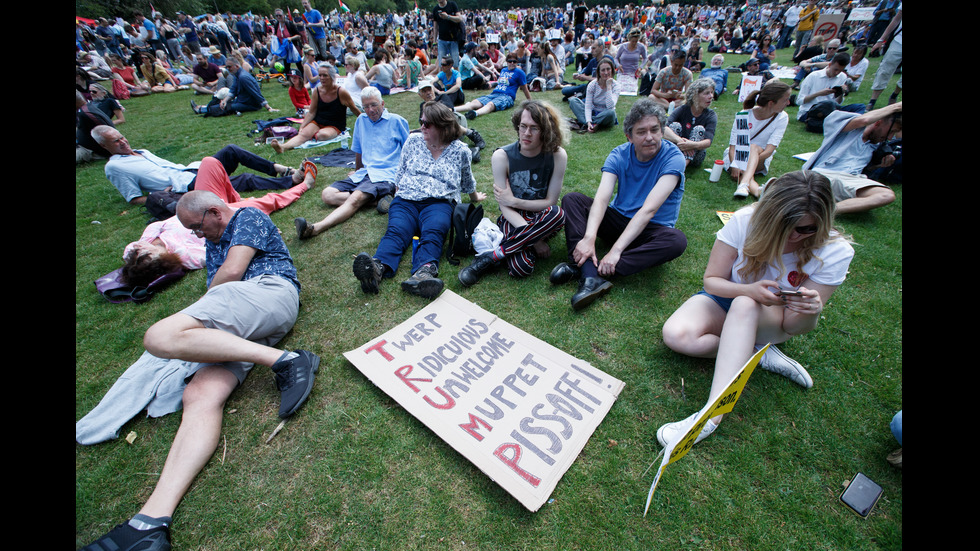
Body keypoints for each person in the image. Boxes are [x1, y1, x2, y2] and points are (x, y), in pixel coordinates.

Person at [79, 190, 320, 551]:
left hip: (267, 294)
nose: (197, 235)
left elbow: (232, 273)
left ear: (213, 212)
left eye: (197, 228)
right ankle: (150, 523)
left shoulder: (247, 217)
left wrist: (196, 316)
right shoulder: (214, 240)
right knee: (200, 395)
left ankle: (287, 361)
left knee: (159, 336)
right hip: (247, 324)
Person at [658, 171, 855, 448]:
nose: (792, 236)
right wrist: (748, 290)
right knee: (677, 336)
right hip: (725, 299)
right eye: (784, 226)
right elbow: (712, 281)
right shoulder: (745, 221)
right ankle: (754, 353)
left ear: (822, 224)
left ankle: (711, 416)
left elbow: (793, 327)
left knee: (746, 305)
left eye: (806, 229)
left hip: (774, 320)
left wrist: (813, 311)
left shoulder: (836, 251)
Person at [550, 99, 688, 311]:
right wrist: (589, 238)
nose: (649, 137)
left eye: (655, 130)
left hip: (650, 230)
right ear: (629, 136)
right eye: (641, 132)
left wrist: (615, 251)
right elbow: (602, 198)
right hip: (618, 219)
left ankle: (588, 271)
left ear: (662, 131)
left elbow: (648, 210)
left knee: (676, 241)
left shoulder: (674, 157)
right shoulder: (619, 154)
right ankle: (588, 268)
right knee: (573, 200)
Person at [352, 101, 485, 299]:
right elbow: (401, 172)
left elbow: (467, 180)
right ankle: (376, 268)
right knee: (397, 230)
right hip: (406, 199)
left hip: (439, 202)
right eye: (421, 121)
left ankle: (424, 273)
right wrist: (400, 194)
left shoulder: (461, 151)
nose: (422, 126)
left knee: (434, 230)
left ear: (443, 126)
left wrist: (475, 197)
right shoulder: (413, 141)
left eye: (427, 124)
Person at [120, 159, 316, 287]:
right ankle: (304, 184)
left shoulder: (140, 243)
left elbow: (150, 230)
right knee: (267, 201)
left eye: (142, 253)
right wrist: (254, 233)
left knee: (210, 162)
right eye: (149, 255)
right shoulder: (185, 255)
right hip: (219, 217)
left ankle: (236, 196)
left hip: (201, 207)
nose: (143, 249)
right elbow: (224, 258)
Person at [457, 100, 568, 286]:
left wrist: (515, 200)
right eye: (523, 126)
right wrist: (535, 241)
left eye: (534, 128)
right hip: (512, 218)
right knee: (521, 268)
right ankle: (502, 253)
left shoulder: (557, 155)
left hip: (544, 216)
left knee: (558, 213)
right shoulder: (502, 156)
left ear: (546, 131)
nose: (526, 133)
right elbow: (505, 208)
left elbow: (550, 203)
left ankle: (489, 258)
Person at [294, 87, 409, 240]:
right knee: (327, 195)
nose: (370, 110)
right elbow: (359, 150)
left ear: (383, 103)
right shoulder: (361, 121)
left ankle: (315, 228)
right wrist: (357, 171)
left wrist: (403, 181)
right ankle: (377, 201)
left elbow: (409, 153)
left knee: (355, 199)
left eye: (374, 105)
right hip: (365, 172)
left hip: (385, 174)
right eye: (366, 106)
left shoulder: (397, 121)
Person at [92, 125, 311, 205]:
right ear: (104, 146)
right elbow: (132, 198)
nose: (123, 142)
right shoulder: (114, 167)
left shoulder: (142, 151)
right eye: (116, 141)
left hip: (193, 173)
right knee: (235, 165)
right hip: (186, 188)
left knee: (233, 163)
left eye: (122, 137)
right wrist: (158, 196)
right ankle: (288, 176)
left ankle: (285, 174)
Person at [801, 102, 902, 214]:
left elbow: (866, 169)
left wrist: (879, 165)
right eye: (891, 131)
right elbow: (863, 120)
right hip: (826, 174)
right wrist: (895, 107)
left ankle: (827, 212)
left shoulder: (876, 144)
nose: (890, 137)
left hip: (852, 180)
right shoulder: (844, 125)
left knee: (886, 195)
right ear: (878, 123)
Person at [724, 80, 792, 199]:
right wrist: (736, 164)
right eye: (785, 100)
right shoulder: (744, 114)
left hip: (761, 158)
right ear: (771, 103)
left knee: (753, 147)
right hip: (737, 157)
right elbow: (733, 145)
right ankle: (758, 191)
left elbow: (769, 150)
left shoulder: (782, 117)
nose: (788, 103)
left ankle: (744, 184)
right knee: (752, 149)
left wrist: (750, 161)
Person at [270, 64, 360, 153]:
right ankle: (282, 147)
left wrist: (365, 120)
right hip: (318, 122)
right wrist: (303, 125)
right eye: (320, 75)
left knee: (321, 135)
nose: (322, 78)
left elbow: (354, 108)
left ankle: (312, 135)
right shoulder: (317, 91)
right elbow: (312, 112)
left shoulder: (341, 92)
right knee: (303, 134)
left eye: (325, 75)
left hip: (335, 125)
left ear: (332, 77)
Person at [191, 56, 278, 117]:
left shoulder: (243, 77)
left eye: (229, 67)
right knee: (222, 102)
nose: (228, 69)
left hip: (251, 104)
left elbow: (256, 93)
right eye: (226, 67)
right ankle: (202, 107)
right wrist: (225, 100)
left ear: (236, 66)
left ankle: (201, 110)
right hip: (241, 100)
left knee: (227, 107)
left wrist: (268, 107)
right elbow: (233, 90)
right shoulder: (237, 75)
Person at [455, 53, 532, 120]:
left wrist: (530, 102)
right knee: (475, 102)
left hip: (507, 96)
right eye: (510, 61)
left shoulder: (519, 72)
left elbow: (525, 89)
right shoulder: (503, 70)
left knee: (491, 104)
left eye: (514, 61)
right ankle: (452, 109)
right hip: (495, 93)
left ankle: (475, 113)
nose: (512, 63)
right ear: (507, 62)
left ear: (517, 62)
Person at [796, 52, 865, 125]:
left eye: (840, 70)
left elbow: (838, 103)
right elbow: (799, 101)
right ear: (829, 65)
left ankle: (846, 122)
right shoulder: (814, 76)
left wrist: (841, 93)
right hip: (812, 111)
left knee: (860, 107)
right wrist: (819, 93)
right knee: (824, 117)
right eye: (835, 69)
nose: (837, 73)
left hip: (831, 111)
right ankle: (840, 123)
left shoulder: (842, 77)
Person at [664, 77, 717, 169]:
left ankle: (681, 167)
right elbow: (664, 129)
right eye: (707, 93)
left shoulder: (711, 115)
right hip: (678, 148)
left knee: (699, 129)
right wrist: (680, 141)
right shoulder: (683, 109)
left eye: (711, 92)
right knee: (674, 126)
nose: (711, 96)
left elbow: (708, 141)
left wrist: (691, 145)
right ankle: (673, 160)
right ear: (695, 96)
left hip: (696, 155)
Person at [568, 57, 620, 133]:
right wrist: (589, 121)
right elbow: (588, 105)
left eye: (608, 69)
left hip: (605, 114)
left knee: (611, 113)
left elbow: (610, 106)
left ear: (612, 70)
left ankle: (585, 122)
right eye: (603, 70)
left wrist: (609, 86)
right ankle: (592, 124)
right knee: (573, 101)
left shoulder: (616, 86)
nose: (606, 73)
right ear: (599, 72)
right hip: (593, 111)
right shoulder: (593, 84)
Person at [866, 5, 902, 111]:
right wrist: (881, 39)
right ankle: (873, 100)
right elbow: (896, 20)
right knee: (885, 69)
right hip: (899, 41)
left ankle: (894, 95)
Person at [432, 0, 463, 70]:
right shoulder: (435, 9)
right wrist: (434, 42)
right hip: (442, 40)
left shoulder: (452, 5)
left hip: (453, 39)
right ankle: (441, 80)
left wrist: (448, 17)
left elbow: (459, 18)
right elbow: (435, 27)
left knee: (455, 64)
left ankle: (456, 80)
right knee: (441, 64)